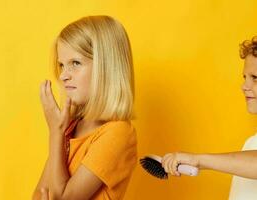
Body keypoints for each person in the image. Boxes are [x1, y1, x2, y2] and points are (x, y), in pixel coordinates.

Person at [32, 15, 137, 200]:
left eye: (75, 63)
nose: (63, 75)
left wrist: (56, 133)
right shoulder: (71, 125)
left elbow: (63, 197)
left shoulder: (118, 132)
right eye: (62, 65)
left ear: (106, 68)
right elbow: (37, 194)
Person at [161, 36, 257, 200]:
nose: (244, 86)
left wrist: (196, 160)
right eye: (244, 77)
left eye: (255, 78)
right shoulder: (251, 144)